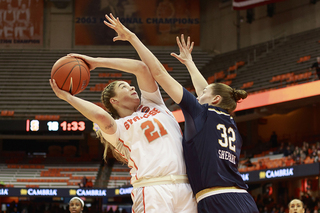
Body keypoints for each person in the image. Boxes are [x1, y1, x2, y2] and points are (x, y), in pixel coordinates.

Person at [103, 13, 259, 213]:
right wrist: (190, 64)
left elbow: (158, 73)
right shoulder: (229, 122)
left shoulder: (200, 112)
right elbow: (208, 91)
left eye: (202, 94)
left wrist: (132, 37)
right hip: (244, 199)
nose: (197, 95)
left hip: (217, 199)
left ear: (215, 100)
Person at [50, 45, 196, 212]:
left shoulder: (154, 103)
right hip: (153, 188)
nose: (132, 87)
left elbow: (141, 68)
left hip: (185, 185)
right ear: (114, 101)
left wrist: (96, 62)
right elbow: (101, 117)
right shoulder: (118, 128)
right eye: (124, 87)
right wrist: (68, 97)